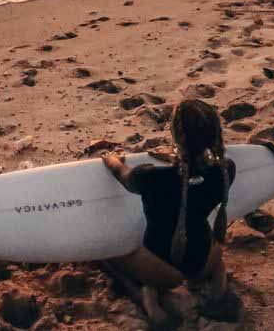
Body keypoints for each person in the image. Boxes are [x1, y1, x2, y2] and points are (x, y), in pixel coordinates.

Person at [101, 99, 237, 325]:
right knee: (215, 248)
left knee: (108, 251)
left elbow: (123, 175)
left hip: (162, 268)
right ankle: (217, 286)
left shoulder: (150, 177)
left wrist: (111, 160)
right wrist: (177, 159)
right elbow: (193, 179)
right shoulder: (226, 170)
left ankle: (147, 298)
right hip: (203, 262)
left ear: (175, 134)